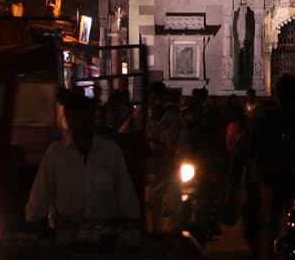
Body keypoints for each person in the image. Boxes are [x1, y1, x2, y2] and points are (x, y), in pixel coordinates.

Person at [26, 92, 141, 234]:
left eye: (84, 117)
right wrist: (33, 226)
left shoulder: (111, 152)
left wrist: (131, 227)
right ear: (67, 120)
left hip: (105, 235)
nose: (80, 122)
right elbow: (40, 193)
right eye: (75, 117)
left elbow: (126, 193)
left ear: (92, 118)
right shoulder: (55, 154)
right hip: (66, 235)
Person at [228, 73, 295, 260]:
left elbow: (241, 150)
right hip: (293, 181)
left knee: (265, 229)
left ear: (276, 93)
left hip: (265, 181)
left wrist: (233, 184)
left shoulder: (263, 116)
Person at [143, 81, 189, 234]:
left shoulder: (176, 120)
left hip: (170, 170)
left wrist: (174, 160)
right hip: (148, 172)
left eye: (160, 98)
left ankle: (173, 238)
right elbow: (127, 136)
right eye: (154, 98)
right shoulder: (140, 118)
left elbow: (183, 145)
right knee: (150, 207)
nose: (157, 102)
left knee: (172, 205)